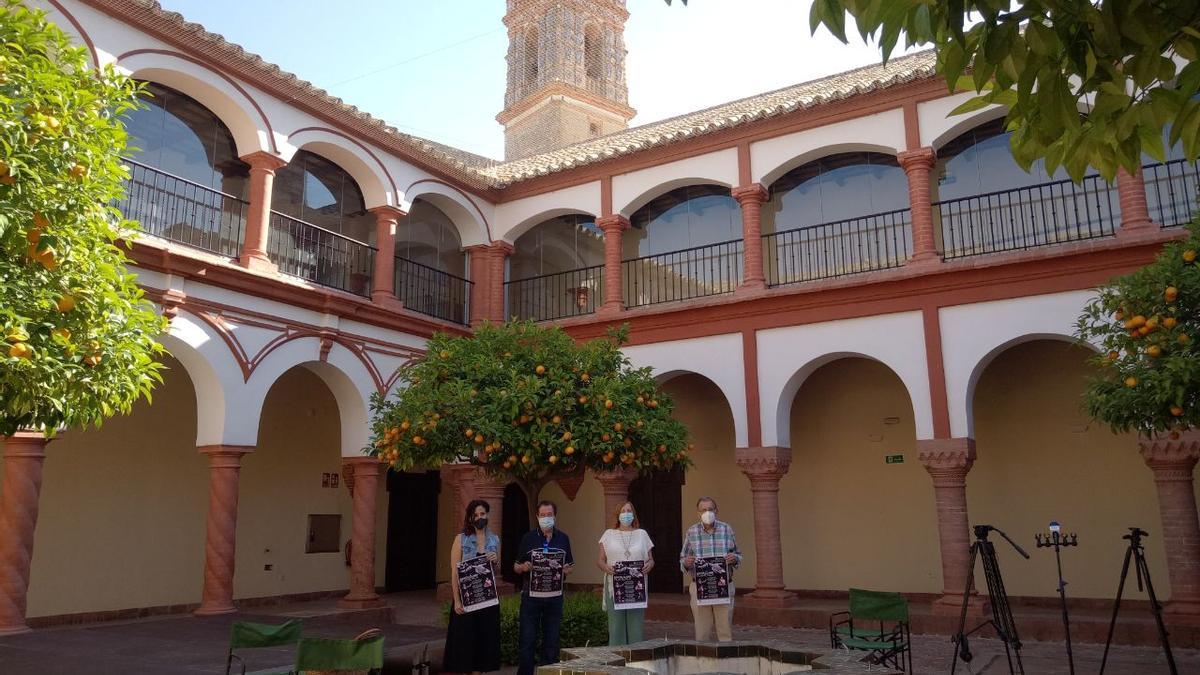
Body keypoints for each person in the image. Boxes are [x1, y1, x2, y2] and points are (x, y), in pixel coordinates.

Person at [513, 499, 575, 675]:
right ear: (537, 516)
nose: (546, 518)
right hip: (531, 597)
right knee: (527, 640)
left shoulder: (563, 538)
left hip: (555, 597)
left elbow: (570, 565)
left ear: (555, 516)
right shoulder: (528, 538)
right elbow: (516, 566)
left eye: (549, 515)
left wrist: (566, 569)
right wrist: (523, 566)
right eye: (543, 515)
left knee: (552, 641)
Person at [444, 499, 501, 675]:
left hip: (487, 600)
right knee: (465, 644)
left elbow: (495, 571)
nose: (479, 518)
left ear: (488, 515)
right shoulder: (460, 540)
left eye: (482, 514)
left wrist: (495, 561)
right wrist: (457, 601)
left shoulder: (494, 539)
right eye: (475, 515)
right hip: (466, 599)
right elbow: (455, 571)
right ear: (470, 518)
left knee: (484, 643)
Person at [679, 496, 742, 642]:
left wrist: (735, 558)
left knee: (725, 631)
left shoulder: (727, 529)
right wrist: (686, 562)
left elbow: (738, 554)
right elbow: (683, 559)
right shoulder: (692, 532)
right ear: (698, 513)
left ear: (716, 510)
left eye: (710, 509)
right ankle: (702, 661)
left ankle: (726, 661)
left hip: (723, 585)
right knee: (701, 633)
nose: (707, 512)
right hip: (700, 586)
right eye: (703, 510)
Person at [597, 501, 654, 646]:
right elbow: (600, 560)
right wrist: (606, 568)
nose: (626, 514)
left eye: (629, 511)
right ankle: (617, 663)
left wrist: (649, 565)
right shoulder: (608, 534)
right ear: (618, 515)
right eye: (623, 511)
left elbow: (651, 560)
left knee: (636, 630)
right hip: (614, 586)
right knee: (616, 629)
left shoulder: (642, 534)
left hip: (636, 588)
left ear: (633, 514)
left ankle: (636, 664)